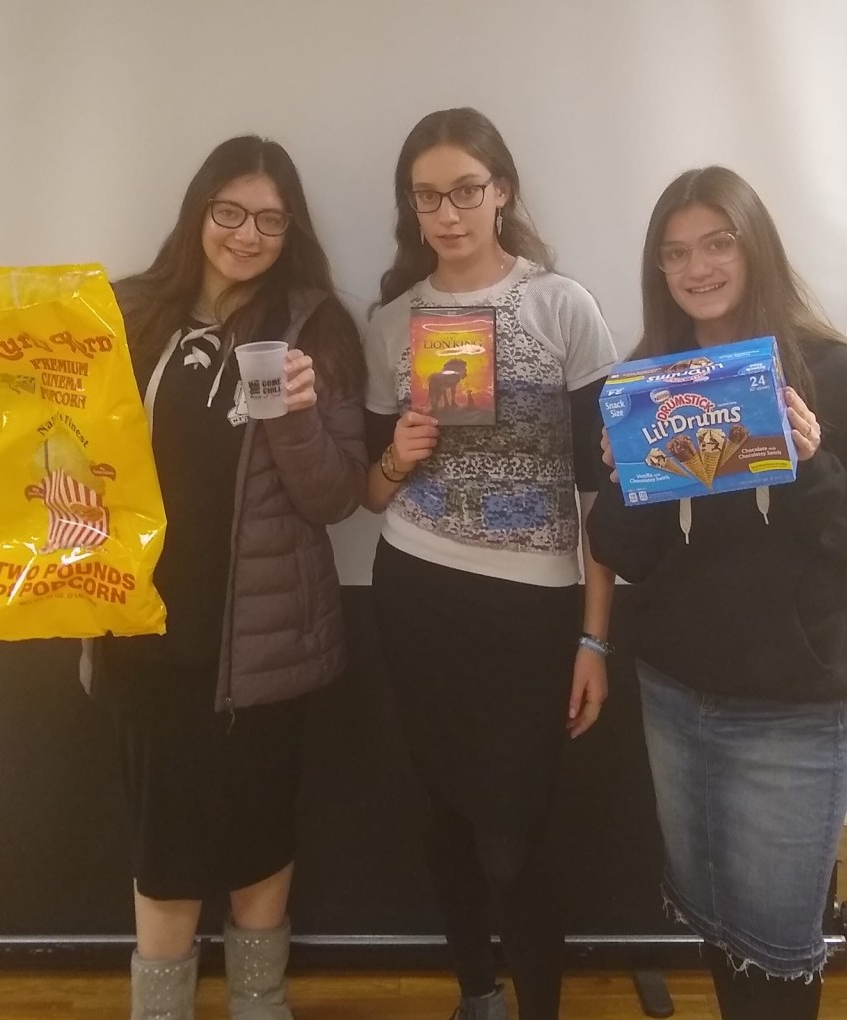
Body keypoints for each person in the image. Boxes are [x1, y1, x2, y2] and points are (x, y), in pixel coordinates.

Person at [0, 135, 367, 1020]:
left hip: (266, 638)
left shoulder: (313, 326)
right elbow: (57, 438)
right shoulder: (123, 314)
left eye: (270, 220)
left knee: (261, 835)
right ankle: (161, 1009)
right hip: (143, 629)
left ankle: (260, 1002)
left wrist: (296, 416)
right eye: (230, 211)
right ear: (198, 211)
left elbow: (334, 497)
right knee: (163, 847)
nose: (247, 235)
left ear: (291, 230)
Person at [588, 166, 847, 1020]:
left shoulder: (835, 373)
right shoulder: (650, 383)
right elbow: (630, 555)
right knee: (719, 926)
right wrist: (624, 480)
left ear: (756, 250)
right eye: (675, 253)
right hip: (676, 697)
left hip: (795, 711)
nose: (696, 268)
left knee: (777, 950)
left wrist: (812, 467)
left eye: (718, 244)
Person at [363, 108, 618, 1020]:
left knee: (514, 838)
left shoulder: (562, 306)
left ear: (501, 190)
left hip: (532, 609)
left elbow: (600, 492)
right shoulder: (391, 321)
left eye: (466, 190)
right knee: (442, 819)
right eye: (427, 196)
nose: (447, 213)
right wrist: (398, 455)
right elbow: (370, 492)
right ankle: (476, 995)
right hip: (416, 589)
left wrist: (595, 640)